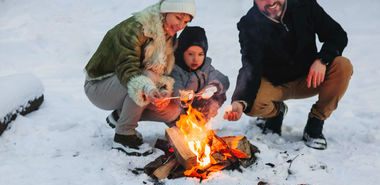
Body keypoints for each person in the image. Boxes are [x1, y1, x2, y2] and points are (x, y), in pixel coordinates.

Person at [224, 0, 353, 150]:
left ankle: (315, 123)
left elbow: (337, 35)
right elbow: (250, 67)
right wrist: (239, 101)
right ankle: (276, 112)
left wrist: (322, 60)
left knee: (343, 66)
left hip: (310, 78)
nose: (271, 2)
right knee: (251, 105)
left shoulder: (305, 5)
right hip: (275, 84)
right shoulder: (249, 24)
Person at [84, 0, 196, 155]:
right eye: (178, 18)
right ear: (165, 12)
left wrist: (162, 91)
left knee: (171, 110)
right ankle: (124, 136)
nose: (180, 25)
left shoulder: (168, 35)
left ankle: (119, 116)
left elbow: (161, 72)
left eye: (185, 22)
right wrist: (148, 87)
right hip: (100, 87)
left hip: (132, 84)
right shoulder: (135, 28)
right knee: (147, 76)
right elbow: (127, 67)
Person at [170, 26, 229, 121]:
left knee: (219, 93)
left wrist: (212, 87)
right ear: (182, 53)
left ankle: (199, 123)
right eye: (190, 54)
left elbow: (223, 79)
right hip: (179, 110)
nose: (195, 59)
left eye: (200, 54)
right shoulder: (175, 68)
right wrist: (183, 95)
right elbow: (175, 87)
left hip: (197, 108)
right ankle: (182, 126)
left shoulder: (205, 67)